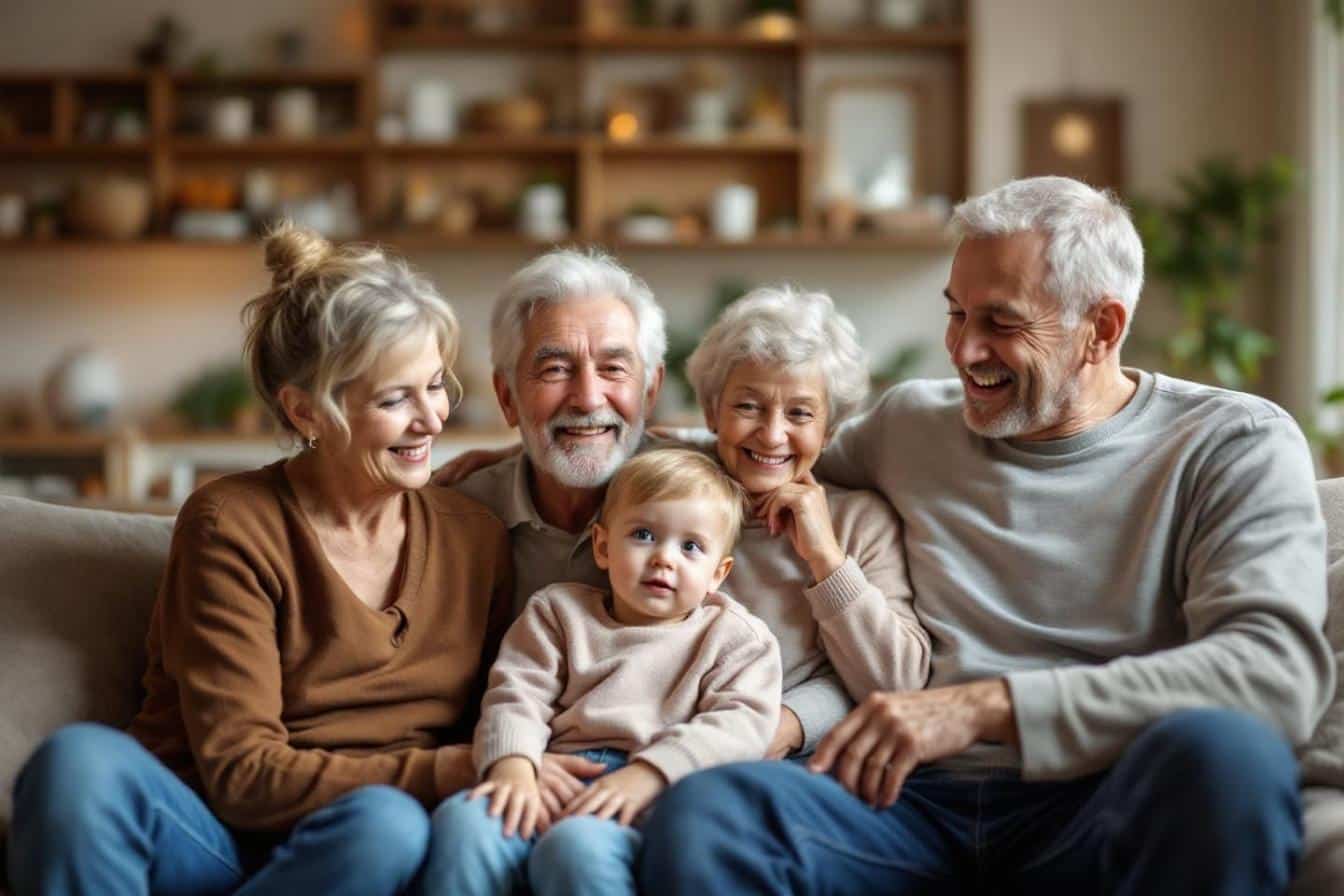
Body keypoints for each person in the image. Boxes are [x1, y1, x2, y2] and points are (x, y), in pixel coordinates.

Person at [639, 176, 1335, 895]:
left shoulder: (1231, 443)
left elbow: (1274, 672)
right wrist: (583, 441)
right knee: (713, 812)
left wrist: (987, 706)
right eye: (956, 313)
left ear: (1102, 329)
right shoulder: (909, 425)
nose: (965, 350)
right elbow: (758, 450)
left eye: (1001, 323)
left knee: (1229, 757)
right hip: (902, 803)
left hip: (1100, 799)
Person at [8, 224, 514, 896]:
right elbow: (241, 775)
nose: (432, 419)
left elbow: (513, 704)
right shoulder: (232, 523)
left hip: (362, 848)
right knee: (76, 763)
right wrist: (448, 771)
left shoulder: (474, 535)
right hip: (211, 845)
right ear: (305, 411)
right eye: (396, 400)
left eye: (436, 385)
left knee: (386, 825)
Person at [421, 449, 782, 896]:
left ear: (718, 573)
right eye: (644, 535)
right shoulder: (557, 612)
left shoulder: (736, 638)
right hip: (551, 774)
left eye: (691, 547)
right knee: (466, 821)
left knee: (575, 847)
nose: (664, 560)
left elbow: (741, 724)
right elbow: (516, 693)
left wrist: (650, 773)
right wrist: (513, 764)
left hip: (657, 794)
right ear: (603, 546)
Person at [683, 285, 931, 757]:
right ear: (712, 412)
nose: (773, 434)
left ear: (829, 430)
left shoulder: (860, 522)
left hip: (793, 767)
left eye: (799, 413)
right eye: (748, 406)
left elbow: (899, 686)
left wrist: (827, 559)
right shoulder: (665, 494)